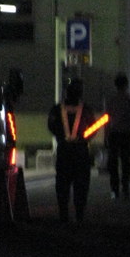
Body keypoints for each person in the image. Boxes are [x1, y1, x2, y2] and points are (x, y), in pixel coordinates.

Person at [48, 78, 96, 224]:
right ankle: (79, 215)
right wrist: (84, 137)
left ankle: (63, 214)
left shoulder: (57, 109)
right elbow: (93, 128)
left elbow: (51, 126)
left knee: (62, 185)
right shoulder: (86, 109)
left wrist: (61, 136)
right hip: (81, 152)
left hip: (64, 151)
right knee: (81, 185)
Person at [105, 72, 130, 200]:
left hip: (113, 134)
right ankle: (125, 188)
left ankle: (114, 190)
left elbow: (107, 119)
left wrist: (106, 136)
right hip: (125, 134)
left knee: (113, 164)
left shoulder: (111, 100)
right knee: (125, 163)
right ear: (126, 85)